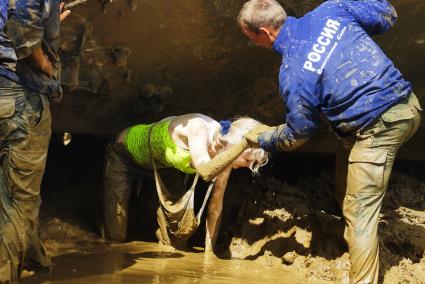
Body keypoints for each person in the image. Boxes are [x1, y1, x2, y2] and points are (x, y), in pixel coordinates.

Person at [238, 0, 421, 283]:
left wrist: (263, 138)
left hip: (379, 129)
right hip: (409, 107)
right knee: (345, 163)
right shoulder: (332, 10)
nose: (253, 44)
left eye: (250, 39)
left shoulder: (293, 73)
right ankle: (348, 231)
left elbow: (299, 133)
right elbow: (387, 15)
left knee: (359, 214)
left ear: (263, 32)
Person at [103, 114, 269, 254]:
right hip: (125, 153)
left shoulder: (225, 158)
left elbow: (215, 206)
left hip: (164, 166)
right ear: (236, 146)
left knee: (174, 242)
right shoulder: (198, 128)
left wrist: (208, 253)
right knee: (116, 236)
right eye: (248, 160)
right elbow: (205, 170)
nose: (248, 167)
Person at [0, 1, 70, 281]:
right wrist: (46, 66)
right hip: (19, 94)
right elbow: (22, 33)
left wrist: (51, 17)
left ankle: (31, 258)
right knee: (19, 199)